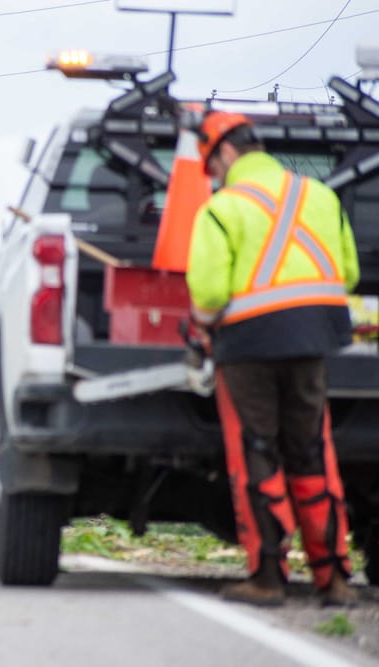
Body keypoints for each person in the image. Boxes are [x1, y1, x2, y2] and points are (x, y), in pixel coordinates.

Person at [186, 110, 361, 607]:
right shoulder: (321, 197)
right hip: (313, 343)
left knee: (258, 454)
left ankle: (267, 577)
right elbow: (345, 274)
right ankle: (334, 579)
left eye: (210, 165)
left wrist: (199, 325)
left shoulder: (222, 209)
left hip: (247, 348)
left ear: (223, 152)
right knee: (311, 453)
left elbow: (211, 292)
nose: (212, 176)